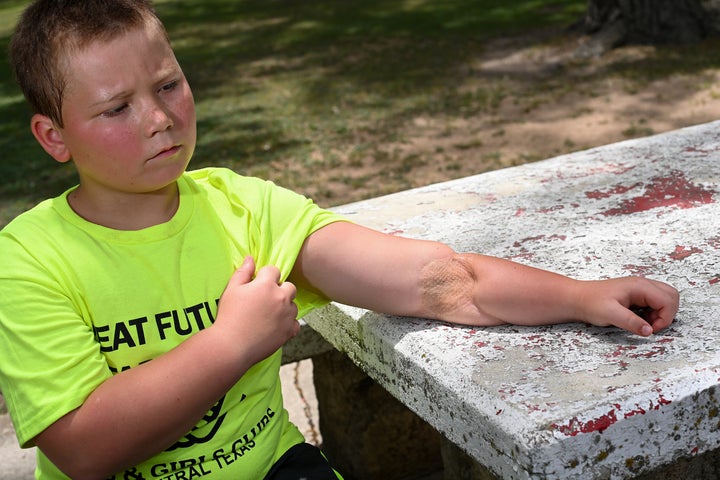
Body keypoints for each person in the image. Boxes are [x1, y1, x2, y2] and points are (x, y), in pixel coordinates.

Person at [0, 0, 680, 479]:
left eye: (169, 84)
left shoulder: (247, 209)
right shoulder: (28, 260)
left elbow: (440, 282)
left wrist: (582, 295)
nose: (159, 118)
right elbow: (85, 450)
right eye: (117, 107)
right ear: (53, 136)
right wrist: (231, 342)